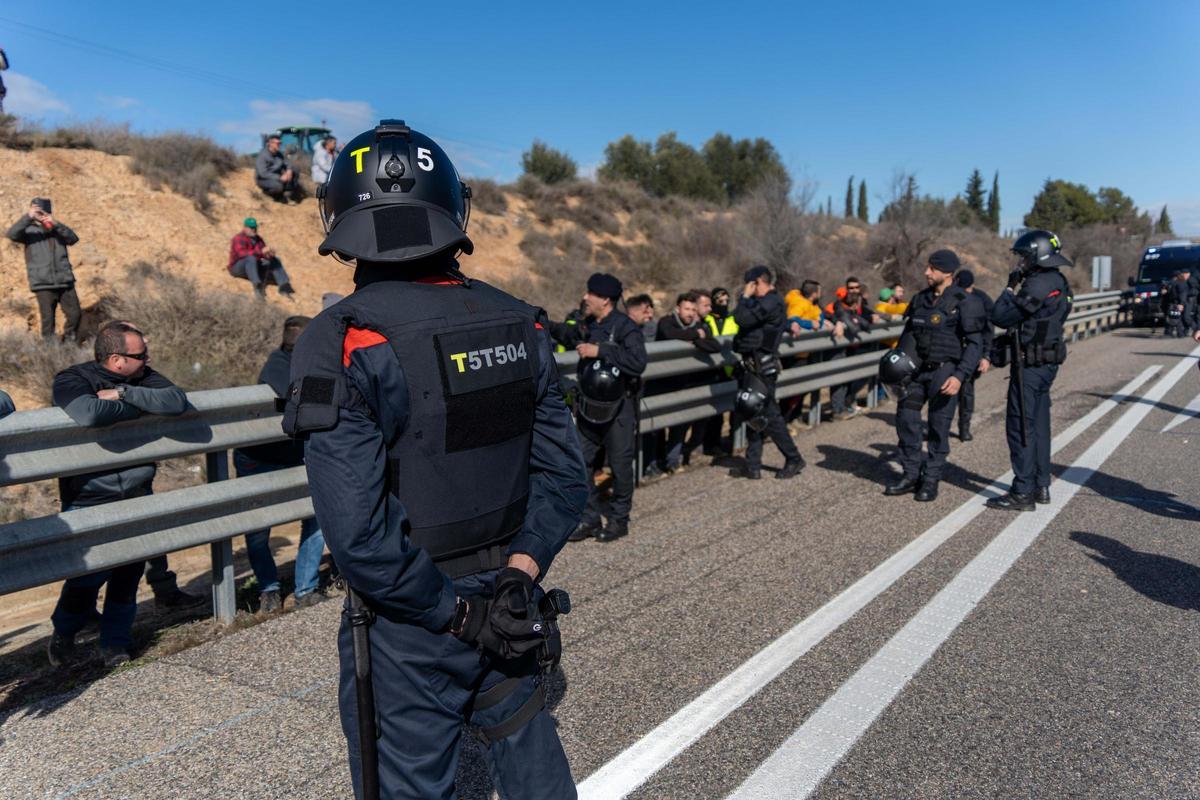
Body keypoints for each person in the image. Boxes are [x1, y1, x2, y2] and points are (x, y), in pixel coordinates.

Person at [282, 120, 587, 800]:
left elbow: (359, 537)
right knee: (535, 769)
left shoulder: (343, 338)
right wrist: (518, 575)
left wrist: (456, 616)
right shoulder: (522, 322)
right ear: (454, 208)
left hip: (412, 623)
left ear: (341, 216)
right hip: (512, 597)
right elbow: (566, 480)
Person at [48, 321, 190, 667]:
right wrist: (143, 408)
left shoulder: (142, 378)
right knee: (87, 576)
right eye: (141, 354)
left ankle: (115, 644)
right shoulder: (73, 379)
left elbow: (175, 402)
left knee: (128, 571)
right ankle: (63, 636)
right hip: (89, 494)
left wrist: (126, 396)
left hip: (137, 490)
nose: (148, 359)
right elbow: (89, 413)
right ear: (116, 360)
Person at [233, 316, 326, 612]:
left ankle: (306, 588)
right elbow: (294, 397)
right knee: (259, 529)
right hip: (260, 458)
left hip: (296, 453)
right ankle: (269, 589)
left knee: (315, 516)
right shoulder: (277, 363)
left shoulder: (316, 364)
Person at [883, 250, 985, 502]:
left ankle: (930, 480)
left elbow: (974, 344)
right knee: (906, 421)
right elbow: (907, 336)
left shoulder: (965, 302)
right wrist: (897, 364)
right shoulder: (920, 299)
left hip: (945, 372)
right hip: (915, 373)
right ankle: (910, 475)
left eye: (932, 269)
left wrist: (960, 376)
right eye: (927, 268)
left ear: (948, 273)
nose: (926, 272)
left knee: (939, 428)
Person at [986, 230, 1074, 511]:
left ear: (1037, 255)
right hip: (1047, 362)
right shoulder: (1059, 280)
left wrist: (1009, 289)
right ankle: (1041, 484)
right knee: (1039, 424)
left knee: (1021, 426)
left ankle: (1022, 491)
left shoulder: (1036, 284)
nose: (1021, 262)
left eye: (1024, 256)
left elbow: (1001, 316)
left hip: (1030, 364)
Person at [568, 272, 647, 542]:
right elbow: (569, 334)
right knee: (580, 460)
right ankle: (589, 518)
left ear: (605, 299)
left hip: (619, 408)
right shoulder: (589, 323)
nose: (585, 297)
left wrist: (600, 351)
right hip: (590, 407)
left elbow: (638, 362)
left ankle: (619, 520)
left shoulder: (626, 327)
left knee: (620, 465)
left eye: (590, 294)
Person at [728, 265, 805, 480]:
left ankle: (794, 458)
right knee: (754, 412)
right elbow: (738, 316)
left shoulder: (770, 301)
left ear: (757, 283)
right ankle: (753, 465)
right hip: (753, 366)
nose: (748, 289)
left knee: (770, 415)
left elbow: (741, 319)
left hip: (762, 367)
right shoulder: (763, 302)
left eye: (750, 284)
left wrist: (744, 297)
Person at [655, 291, 720, 472]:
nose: (690, 313)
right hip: (662, 382)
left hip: (685, 382)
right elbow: (668, 333)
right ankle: (658, 462)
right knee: (658, 427)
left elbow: (714, 345)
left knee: (681, 422)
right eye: (686, 309)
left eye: (693, 309)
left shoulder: (700, 325)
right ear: (678, 308)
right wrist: (695, 335)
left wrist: (696, 339)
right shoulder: (667, 321)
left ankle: (673, 461)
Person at [6, 198, 82, 343]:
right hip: (43, 283)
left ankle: (68, 345)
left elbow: (73, 239)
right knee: (48, 321)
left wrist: (56, 223)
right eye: (37, 211)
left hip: (65, 281)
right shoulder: (28, 231)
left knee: (75, 315)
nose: (41, 214)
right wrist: (28, 217)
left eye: (43, 211)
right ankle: (50, 351)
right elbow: (11, 234)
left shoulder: (57, 229)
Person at [826, 276, 882, 420]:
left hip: (856, 344)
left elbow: (866, 314)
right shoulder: (840, 303)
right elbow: (840, 315)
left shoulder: (861, 301)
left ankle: (847, 403)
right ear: (846, 289)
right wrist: (838, 322)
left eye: (857, 288)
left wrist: (873, 316)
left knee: (856, 375)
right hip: (843, 345)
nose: (854, 290)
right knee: (841, 377)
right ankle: (838, 409)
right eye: (851, 288)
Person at [953, 270, 994, 441]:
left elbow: (988, 330)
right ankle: (939, 429)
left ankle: (964, 428)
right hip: (951, 351)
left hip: (972, 351)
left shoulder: (982, 299)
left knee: (966, 391)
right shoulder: (950, 297)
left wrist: (986, 355)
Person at [228, 218, 296, 298]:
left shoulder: (259, 239)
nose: (254, 229)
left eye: (255, 227)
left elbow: (262, 253)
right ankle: (257, 285)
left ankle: (284, 285)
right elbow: (241, 254)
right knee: (251, 258)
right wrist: (260, 252)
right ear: (245, 228)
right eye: (251, 227)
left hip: (253, 266)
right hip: (237, 268)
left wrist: (269, 254)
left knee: (275, 260)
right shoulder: (238, 238)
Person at [255, 134, 302, 202]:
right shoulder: (262, 156)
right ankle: (267, 195)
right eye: (277, 143)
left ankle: (287, 195)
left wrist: (289, 170)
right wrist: (279, 177)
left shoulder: (279, 154)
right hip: (264, 179)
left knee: (295, 170)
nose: (279, 145)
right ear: (270, 143)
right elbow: (263, 173)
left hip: (278, 177)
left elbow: (288, 163)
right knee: (278, 186)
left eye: (280, 143)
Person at [1164, 269, 1189, 338]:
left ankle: (1180, 333)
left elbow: (1182, 294)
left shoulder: (1181, 283)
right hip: (1173, 303)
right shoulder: (1173, 283)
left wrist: (1181, 303)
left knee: (1177, 318)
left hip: (1178, 303)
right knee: (1173, 317)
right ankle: (1170, 332)